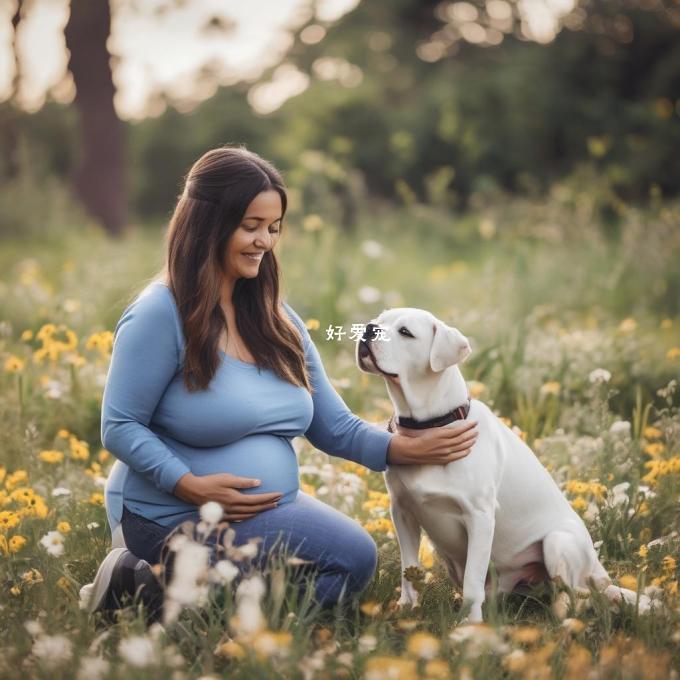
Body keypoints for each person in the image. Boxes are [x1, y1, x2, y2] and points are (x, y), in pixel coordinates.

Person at [80, 145, 479, 620]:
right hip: (171, 514)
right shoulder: (159, 314)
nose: (263, 241)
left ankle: (156, 592)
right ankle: (148, 576)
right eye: (249, 226)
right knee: (346, 560)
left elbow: (332, 426)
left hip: (262, 512)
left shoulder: (276, 318)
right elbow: (120, 424)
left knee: (352, 557)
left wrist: (405, 449)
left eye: (273, 228)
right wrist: (190, 486)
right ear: (207, 223)